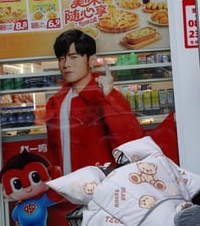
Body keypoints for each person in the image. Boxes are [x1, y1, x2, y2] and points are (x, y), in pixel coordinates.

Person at [45, 28, 143, 173]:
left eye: (73, 57)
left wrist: (109, 95)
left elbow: (131, 140)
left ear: (91, 60)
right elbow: (53, 151)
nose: (66, 64)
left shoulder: (104, 95)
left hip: (103, 185)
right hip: (68, 187)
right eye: (61, 58)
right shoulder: (56, 102)